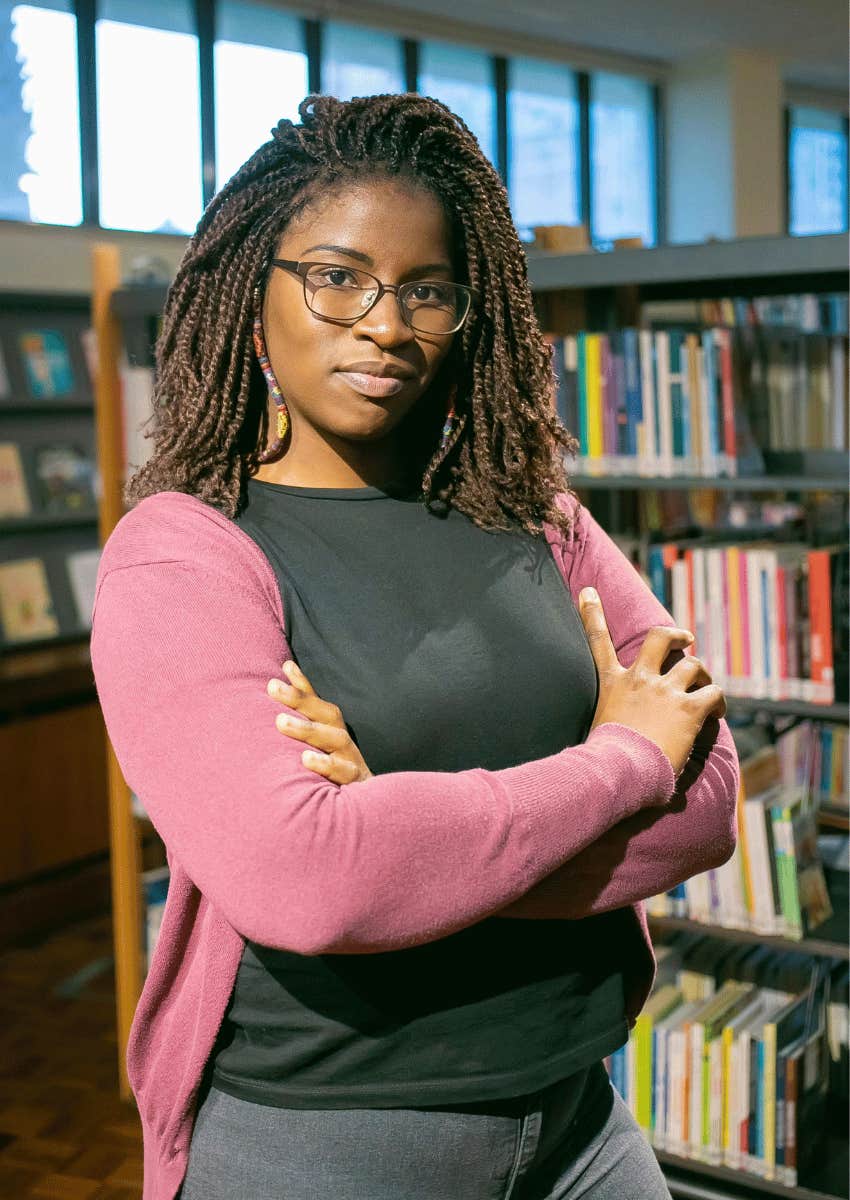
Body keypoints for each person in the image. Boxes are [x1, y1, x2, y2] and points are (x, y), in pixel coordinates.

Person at [90, 93, 739, 1200]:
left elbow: (712, 800)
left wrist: (399, 826)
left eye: (427, 290)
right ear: (254, 294)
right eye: (337, 277)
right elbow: (307, 885)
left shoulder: (541, 519)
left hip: (582, 1116)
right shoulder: (185, 557)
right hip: (332, 1139)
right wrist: (618, 763)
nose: (385, 324)